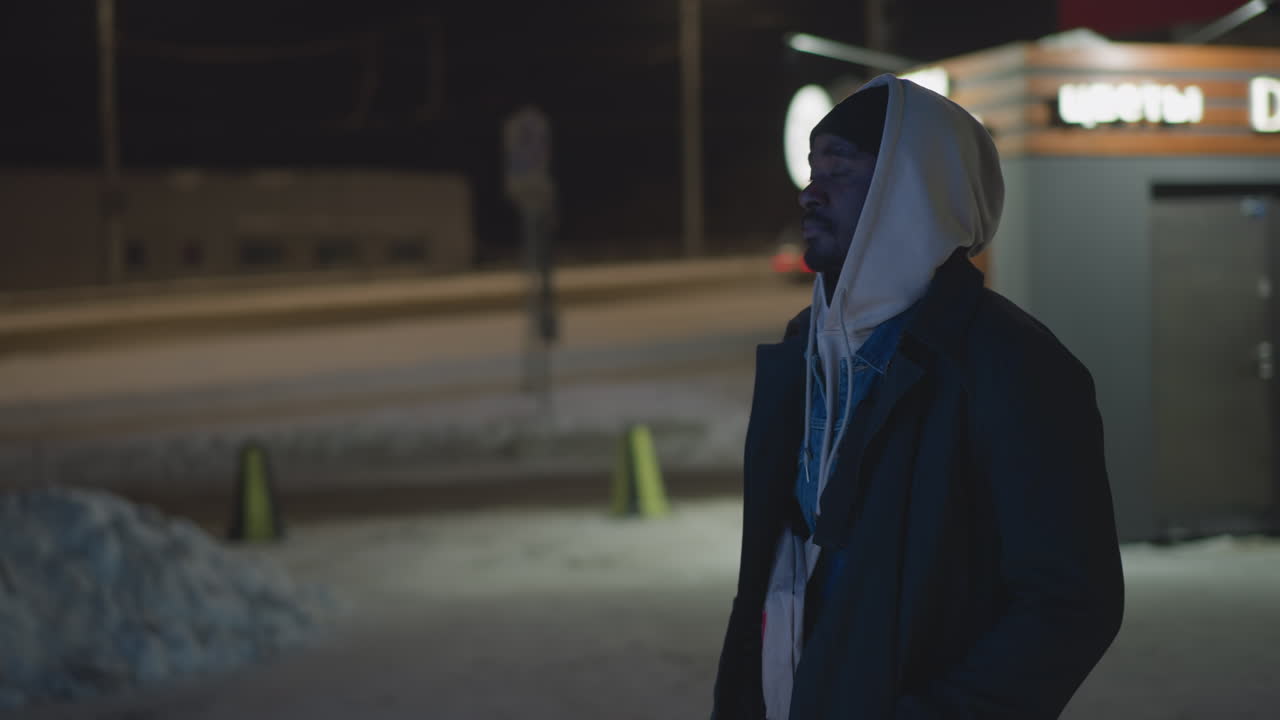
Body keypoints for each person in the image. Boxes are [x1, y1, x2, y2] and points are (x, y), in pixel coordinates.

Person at [710, 74, 1125, 720]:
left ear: (912, 188)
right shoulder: (806, 351)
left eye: (838, 170)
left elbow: (1069, 604)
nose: (809, 193)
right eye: (812, 170)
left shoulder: (1013, 366)